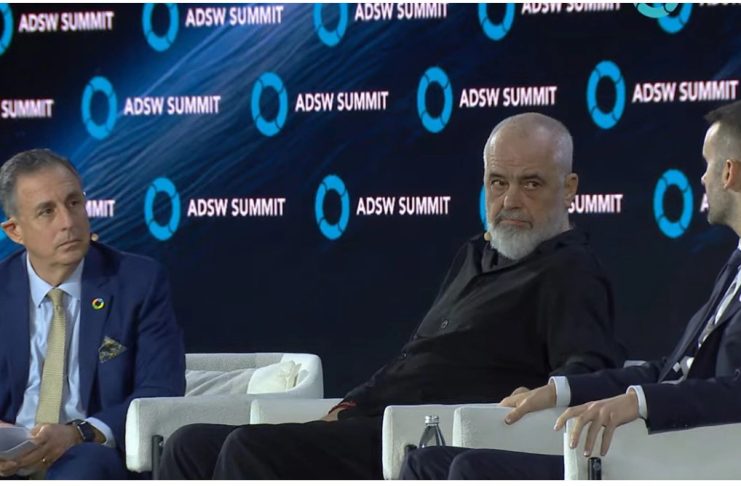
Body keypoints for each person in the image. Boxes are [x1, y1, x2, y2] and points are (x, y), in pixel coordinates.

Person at [158, 112, 625, 480]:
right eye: (498, 182)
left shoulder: (571, 271)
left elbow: (590, 372)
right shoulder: (476, 253)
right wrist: (352, 404)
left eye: (531, 183)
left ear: (569, 188)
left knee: (248, 450)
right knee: (188, 444)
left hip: (432, 438)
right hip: (376, 420)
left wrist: (545, 394)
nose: (510, 200)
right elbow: (417, 355)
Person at [401, 100, 741, 480]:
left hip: (685, 458)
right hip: (653, 444)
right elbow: (672, 369)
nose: (702, 178)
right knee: (424, 462)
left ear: (729, 172)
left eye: (707, 163)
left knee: (470, 469)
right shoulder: (734, 268)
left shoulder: (573, 269)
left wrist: (638, 402)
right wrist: (557, 391)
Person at [0, 149, 185, 479]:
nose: (68, 223)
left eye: (74, 203)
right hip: (8, 455)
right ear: (15, 231)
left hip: (88, 454)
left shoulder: (137, 282)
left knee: (82, 467)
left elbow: (160, 390)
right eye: (47, 212)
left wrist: (80, 433)